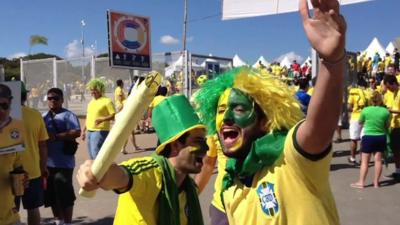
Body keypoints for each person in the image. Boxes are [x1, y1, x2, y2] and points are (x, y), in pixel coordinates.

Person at [194, 0, 346, 224]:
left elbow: (318, 129)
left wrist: (332, 62)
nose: (226, 118)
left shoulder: (291, 159)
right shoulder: (230, 188)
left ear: (265, 121)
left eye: (238, 108)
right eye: (221, 110)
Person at [77, 95, 207, 225]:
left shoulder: (190, 189)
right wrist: (98, 173)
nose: (206, 148)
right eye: (198, 142)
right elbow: (121, 176)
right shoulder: (150, 172)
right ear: (175, 145)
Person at [42, 88, 81, 225]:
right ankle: (59, 221)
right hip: (48, 163)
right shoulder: (44, 116)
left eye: (56, 98)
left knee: (65, 195)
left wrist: (57, 136)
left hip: (64, 163)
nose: (52, 101)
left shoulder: (68, 115)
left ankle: (68, 222)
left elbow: (77, 132)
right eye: (50, 98)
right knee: (51, 195)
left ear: (62, 100)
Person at [15, 81, 49, 225]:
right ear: (25, 96)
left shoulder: (3, 116)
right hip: (32, 171)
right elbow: (43, 145)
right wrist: (43, 167)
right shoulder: (35, 115)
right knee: (33, 208)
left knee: (9, 210)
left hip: (7, 171)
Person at [0, 83, 27, 225]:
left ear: (10, 102)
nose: (0, 110)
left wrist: (22, 176)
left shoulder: (18, 126)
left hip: (9, 213)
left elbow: (17, 163)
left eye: (4, 105)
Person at [351, 91, 389, 188]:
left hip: (368, 136)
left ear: (371, 100)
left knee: (365, 161)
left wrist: (367, 124)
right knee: (378, 160)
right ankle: (376, 182)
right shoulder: (385, 111)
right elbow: (387, 125)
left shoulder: (366, 110)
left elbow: (360, 122)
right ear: (381, 100)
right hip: (380, 136)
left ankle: (361, 182)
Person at [82, 79, 115, 159]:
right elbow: (88, 116)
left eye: (94, 90)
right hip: (89, 131)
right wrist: (83, 131)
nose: (92, 92)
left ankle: (101, 171)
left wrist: (103, 119)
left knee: (96, 154)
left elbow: (113, 115)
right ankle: (96, 171)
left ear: (100, 90)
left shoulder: (107, 101)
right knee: (91, 155)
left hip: (100, 131)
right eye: (91, 90)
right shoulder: (91, 102)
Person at [383, 75, 400, 180]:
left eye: (389, 87)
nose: (388, 89)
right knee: (396, 150)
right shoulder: (394, 94)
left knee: (397, 150)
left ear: (394, 83)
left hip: (399, 126)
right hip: (395, 126)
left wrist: (391, 111)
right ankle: (398, 172)